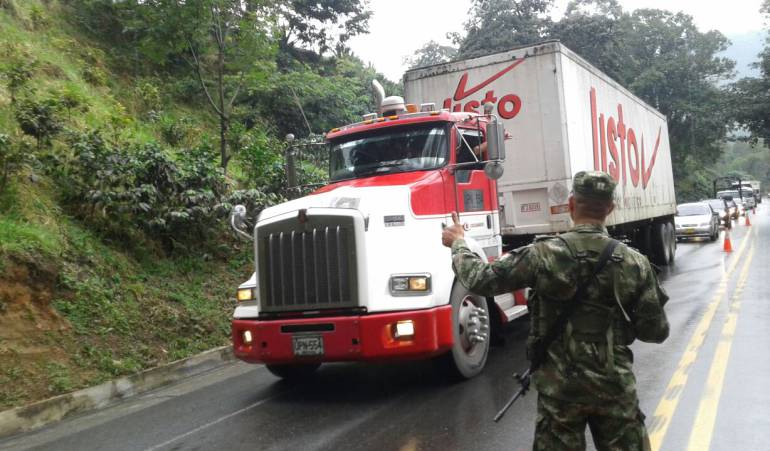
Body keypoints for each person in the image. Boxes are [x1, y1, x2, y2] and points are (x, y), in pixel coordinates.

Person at [441, 171, 669, 451]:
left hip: (560, 390)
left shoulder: (542, 254)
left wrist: (459, 243)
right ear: (610, 208)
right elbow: (656, 332)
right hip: (615, 386)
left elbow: (481, 279)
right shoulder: (635, 263)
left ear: (572, 205)